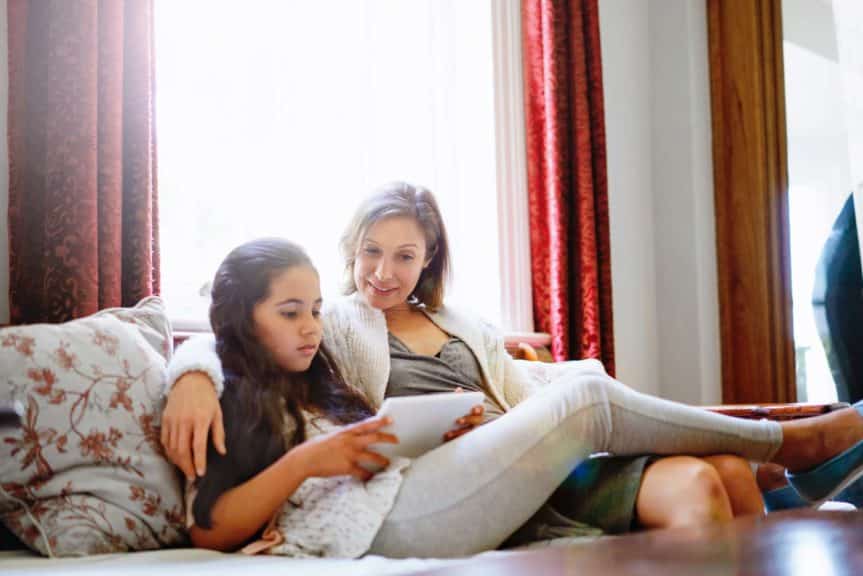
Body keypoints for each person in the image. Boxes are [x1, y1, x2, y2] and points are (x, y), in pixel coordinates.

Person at [164, 183, 863, 557]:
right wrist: (190, 378)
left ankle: (769, 470)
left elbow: (533, 390)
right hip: (418, 506)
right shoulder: (313, 342)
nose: (311, 323)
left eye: (404, 256)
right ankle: (790, 443)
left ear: (428, 261)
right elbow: (228, 346)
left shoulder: (438, 334)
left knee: (716, 473)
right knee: (588, 392)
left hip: (491, 462)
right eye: (371, 252)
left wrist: (447, 425)